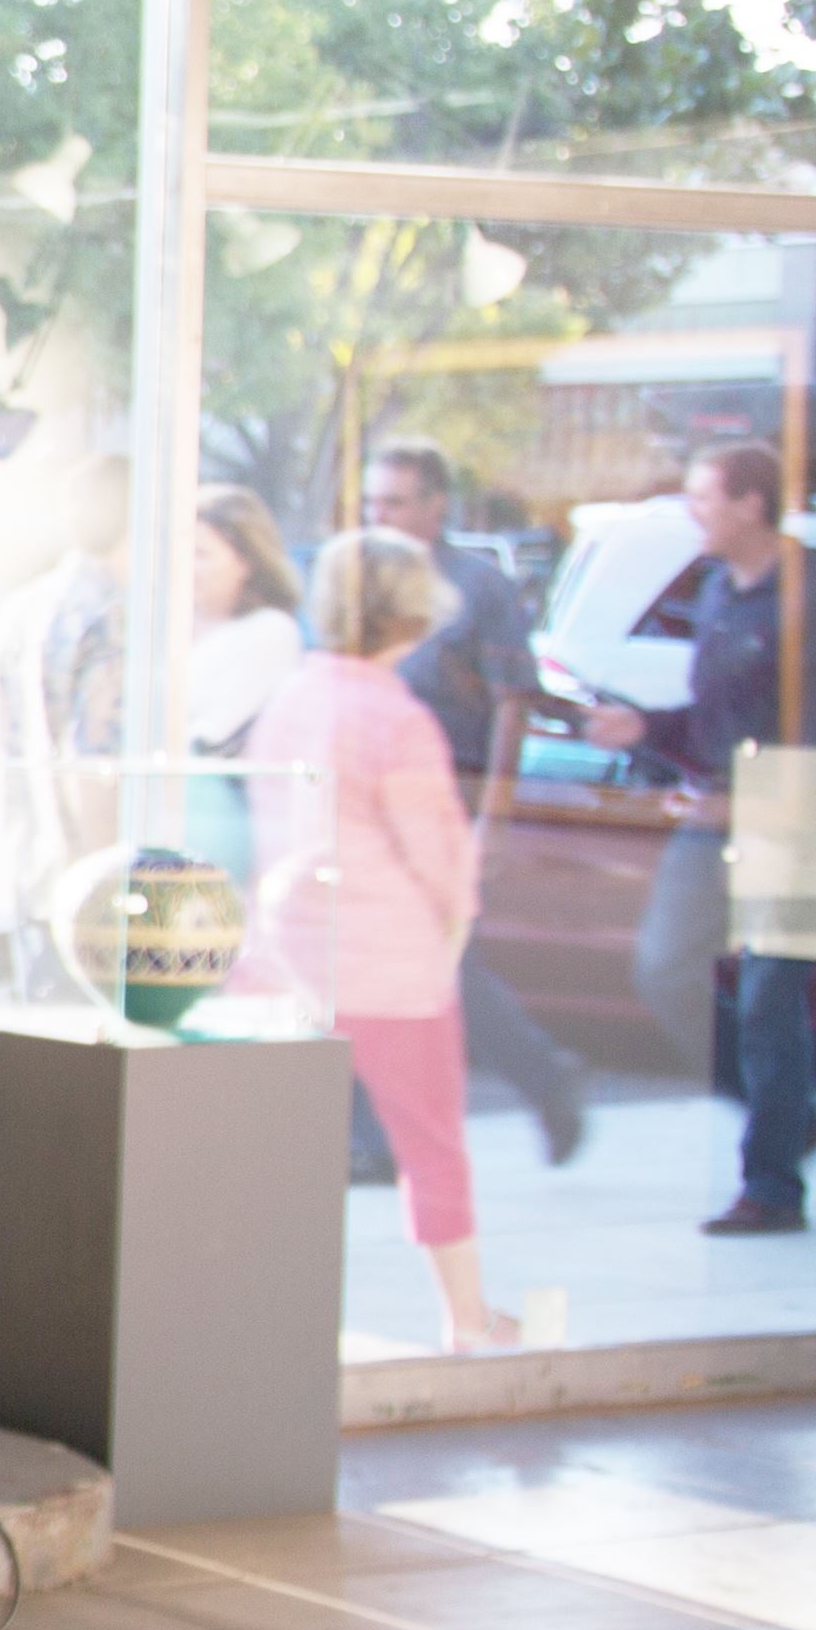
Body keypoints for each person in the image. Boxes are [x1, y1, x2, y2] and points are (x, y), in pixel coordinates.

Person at [581, 440, 816, 1236]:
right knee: (664, 967)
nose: (691, 513)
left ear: (750, 503)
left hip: (793, 813)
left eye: (703, 497)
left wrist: (742, 803)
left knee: (773, 999)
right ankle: (790, 1115)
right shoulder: (715, 591)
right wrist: (646, 726)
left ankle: (771, 1186)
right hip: (713, 808)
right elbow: (713, 718)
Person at [248, 534, 515, 1351]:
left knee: (281, 1151)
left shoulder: (292, 699)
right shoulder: (398, 719)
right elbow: (436, 850)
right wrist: (456, 921)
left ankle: (265, 1318)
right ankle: (466, 1316)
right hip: (393, 960)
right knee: (429, 1140)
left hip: (294, 949)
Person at [352, 437, 591, 1172]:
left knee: (442, 962)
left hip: (443, 793)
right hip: (369, 800)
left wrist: (496, 817)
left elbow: (513, 704)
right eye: (372, 501)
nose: (379, 514)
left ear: (435, 506)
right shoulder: (363, 578)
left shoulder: (478, 587)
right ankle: (373, 1136)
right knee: (365, 960)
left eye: (394, 500)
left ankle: (542, 1077)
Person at [180, 485, 307, 880]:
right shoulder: (173, 626)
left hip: (218, 830)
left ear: (247, 560)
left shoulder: (270, 632)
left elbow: (211, 737)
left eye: (202, 555)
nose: (188, 568)